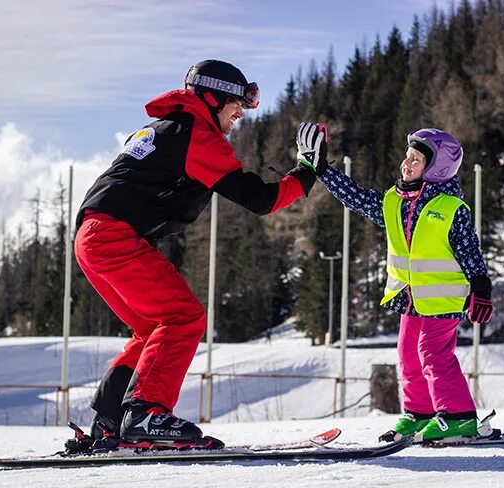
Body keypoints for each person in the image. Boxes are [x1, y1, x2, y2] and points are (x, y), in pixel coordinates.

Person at [73, 61, 328, 450]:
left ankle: (110, 420)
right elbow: (260, 199)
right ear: (213, 98)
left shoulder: (162, 129)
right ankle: (146, 414)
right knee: (183, 317)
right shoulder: (197, 135)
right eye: (237, 103)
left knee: (151, 329)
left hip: (94, 236)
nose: (241, 112)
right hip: (115, 237)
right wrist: (307, 172)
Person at [306, 124, 493, 443]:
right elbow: (357, 198)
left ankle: (459, 416)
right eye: (406, 156)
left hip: (445, 298)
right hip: (410, 297)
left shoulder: (450, 208)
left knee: (433, 354)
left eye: (416, 159)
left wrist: (481, 287)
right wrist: (322, 170)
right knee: (408, 354)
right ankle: (420, 413)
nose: (406, 164)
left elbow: (469, 248)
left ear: (436, 169)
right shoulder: (395, 201)